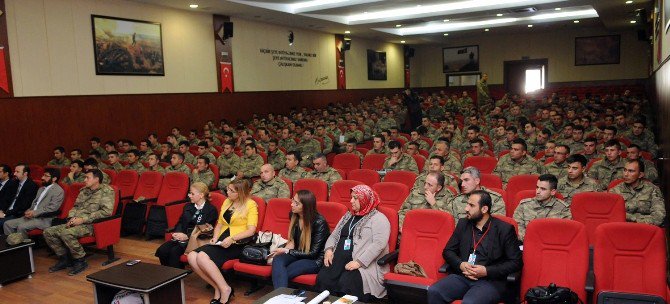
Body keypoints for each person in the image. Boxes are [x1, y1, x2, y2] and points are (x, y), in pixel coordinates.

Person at [428, 190, 522, 304]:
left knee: (470, 302)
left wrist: (487, 271)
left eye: (471, 205)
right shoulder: (463, 224)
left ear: (484, 209)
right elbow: (448, 251)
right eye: (467, 204)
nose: (466, 208)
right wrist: (461, 264)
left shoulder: (504, 229)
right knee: (434, 291)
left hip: (490, 281)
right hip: (463, 276)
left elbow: (516, 262)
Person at [188, 179, 258, 304]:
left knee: (202, 257)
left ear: (240, 193)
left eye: (231, 190)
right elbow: (219, 224)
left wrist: (232, 238)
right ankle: (217, 287)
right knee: (192, 256)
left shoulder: (250, 204)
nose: (227, 192)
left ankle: (225, 289)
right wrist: (215, 237)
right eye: (228, 189)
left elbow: (251, 231)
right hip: (222, 239)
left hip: (238, 242)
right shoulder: (227, 201)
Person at [315, 185, 390, 302]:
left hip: (363, 264)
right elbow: (334, 235)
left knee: (346, 283)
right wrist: (329, 250)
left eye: (355, 198)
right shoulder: (348, 215)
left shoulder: (379, 219)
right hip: (338, 259)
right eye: (351, 197)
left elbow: (379, 244)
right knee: (323, 279)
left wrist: (359, 262)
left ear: (364, 199)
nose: (351, 201)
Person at [44, 169, 114, 275]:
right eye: (85, 177)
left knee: (66, 233)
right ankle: (65, 259)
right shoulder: (84, 190)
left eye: (87, 177)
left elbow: (106, 212)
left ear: (96, 179)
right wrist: (71, 218)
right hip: (76, 222)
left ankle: (80, 261)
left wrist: (83, 219)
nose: (84, 180)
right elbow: (75, 207)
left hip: (92, 225)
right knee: (48, 232)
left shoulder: (107, 191)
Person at [271, 190, 330, 288]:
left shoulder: (319, 222)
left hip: (314, 260)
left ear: (306, 206)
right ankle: (282, 298)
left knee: (282, 273)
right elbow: (292, 241)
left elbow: (313, 253)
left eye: (296, 203)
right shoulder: (293, 215)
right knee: (277, 260)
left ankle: (280, 297)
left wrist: (286, 251)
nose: (292, 204)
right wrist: (283, 251)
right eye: (293, 200)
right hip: (298, 253)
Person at [155, 182, 218, 268]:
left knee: (174, 252)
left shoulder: (211, 210)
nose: (189, 195)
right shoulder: (188, 206)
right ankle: (168, 274)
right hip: (182, 238)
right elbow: (181, 222)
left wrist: (187, 236)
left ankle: (177, 277)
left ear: (201, 195)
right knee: (162, 250)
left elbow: (206, 231)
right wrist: (177, 233)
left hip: (196, 240)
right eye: (189, 193)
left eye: (192, 193)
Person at [3, 168, 64, 235]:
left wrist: (34, 213)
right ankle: (14, 243)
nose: (42, 177)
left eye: (46, 176)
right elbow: (35, 204)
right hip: (31, 216)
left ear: (54, 179)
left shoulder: (58, 191)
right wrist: (28, 210)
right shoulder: (41, 188)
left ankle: (24, 244)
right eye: (43, 175)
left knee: (21, 227)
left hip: (44, 219)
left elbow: (52, 208)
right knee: (7, 224)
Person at [513, 174, 571, 241]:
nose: (538, 191)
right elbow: (517, 227)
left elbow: (564, 232)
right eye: (537, 187)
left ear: (552, 192)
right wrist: (533, 239)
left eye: (543, 189)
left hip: (551, 246)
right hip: (526, 243)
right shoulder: (524, 205)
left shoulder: (563, 209)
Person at [610, 159, 666, 226]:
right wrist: (638, 219)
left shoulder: (652, 189)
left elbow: (658, 217)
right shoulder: (615, 190)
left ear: (640, 175)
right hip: (622, 227)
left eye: (631, 171)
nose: (626, 174)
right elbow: (612, 215)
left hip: (645, 229)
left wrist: (631, 218)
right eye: (625, 170)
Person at [0, 164, 38, 228]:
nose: (14, 174)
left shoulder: (31, 186)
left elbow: (23, 206)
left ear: (25, 173)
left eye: (17, 172)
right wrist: (1, 210)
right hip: (7, 211)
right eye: (15, 171)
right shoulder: (14, 183)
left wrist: (5, 214)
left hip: (18, 214)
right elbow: (6, 199)